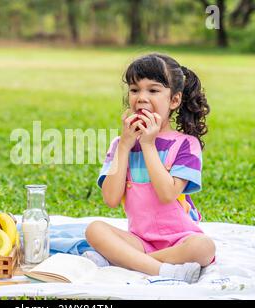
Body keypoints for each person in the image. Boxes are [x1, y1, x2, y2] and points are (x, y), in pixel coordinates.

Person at [84, 53, 216, 284]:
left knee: (204, 248)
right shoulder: (120, 144)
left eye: (153, 91)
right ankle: (161, 269)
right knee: (94, 229)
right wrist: (125, 145)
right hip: (139, 239)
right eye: (135, 90)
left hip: (179, 240)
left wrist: (147, 144)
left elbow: (167, 194)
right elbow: (111, 199)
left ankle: (125, 261)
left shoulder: (185, 144)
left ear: (174, 100)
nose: (142, 97)